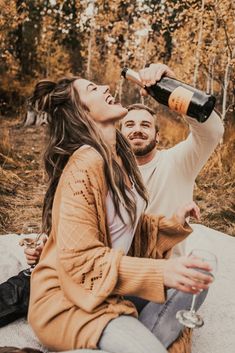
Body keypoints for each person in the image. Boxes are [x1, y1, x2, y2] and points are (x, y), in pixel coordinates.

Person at [24, 66, 213, 353]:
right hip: (70, 301)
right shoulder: (84, 164)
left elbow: (126, 231)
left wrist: (173, 224)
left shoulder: (119, 157)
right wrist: (161, 272)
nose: (104, 89)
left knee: (196, 278)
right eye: (92, 90)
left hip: (108, 290)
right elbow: (82, 260)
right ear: (81, 112)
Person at [120, 64, 224, 256]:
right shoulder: (109, 170)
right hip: (122, 273)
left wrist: (177, 90)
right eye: (129, 124)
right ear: (120, 134)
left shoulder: (177, 162)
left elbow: (212, 132)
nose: (137, 129)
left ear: (157, 136)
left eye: (145, 125)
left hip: (170, 275)